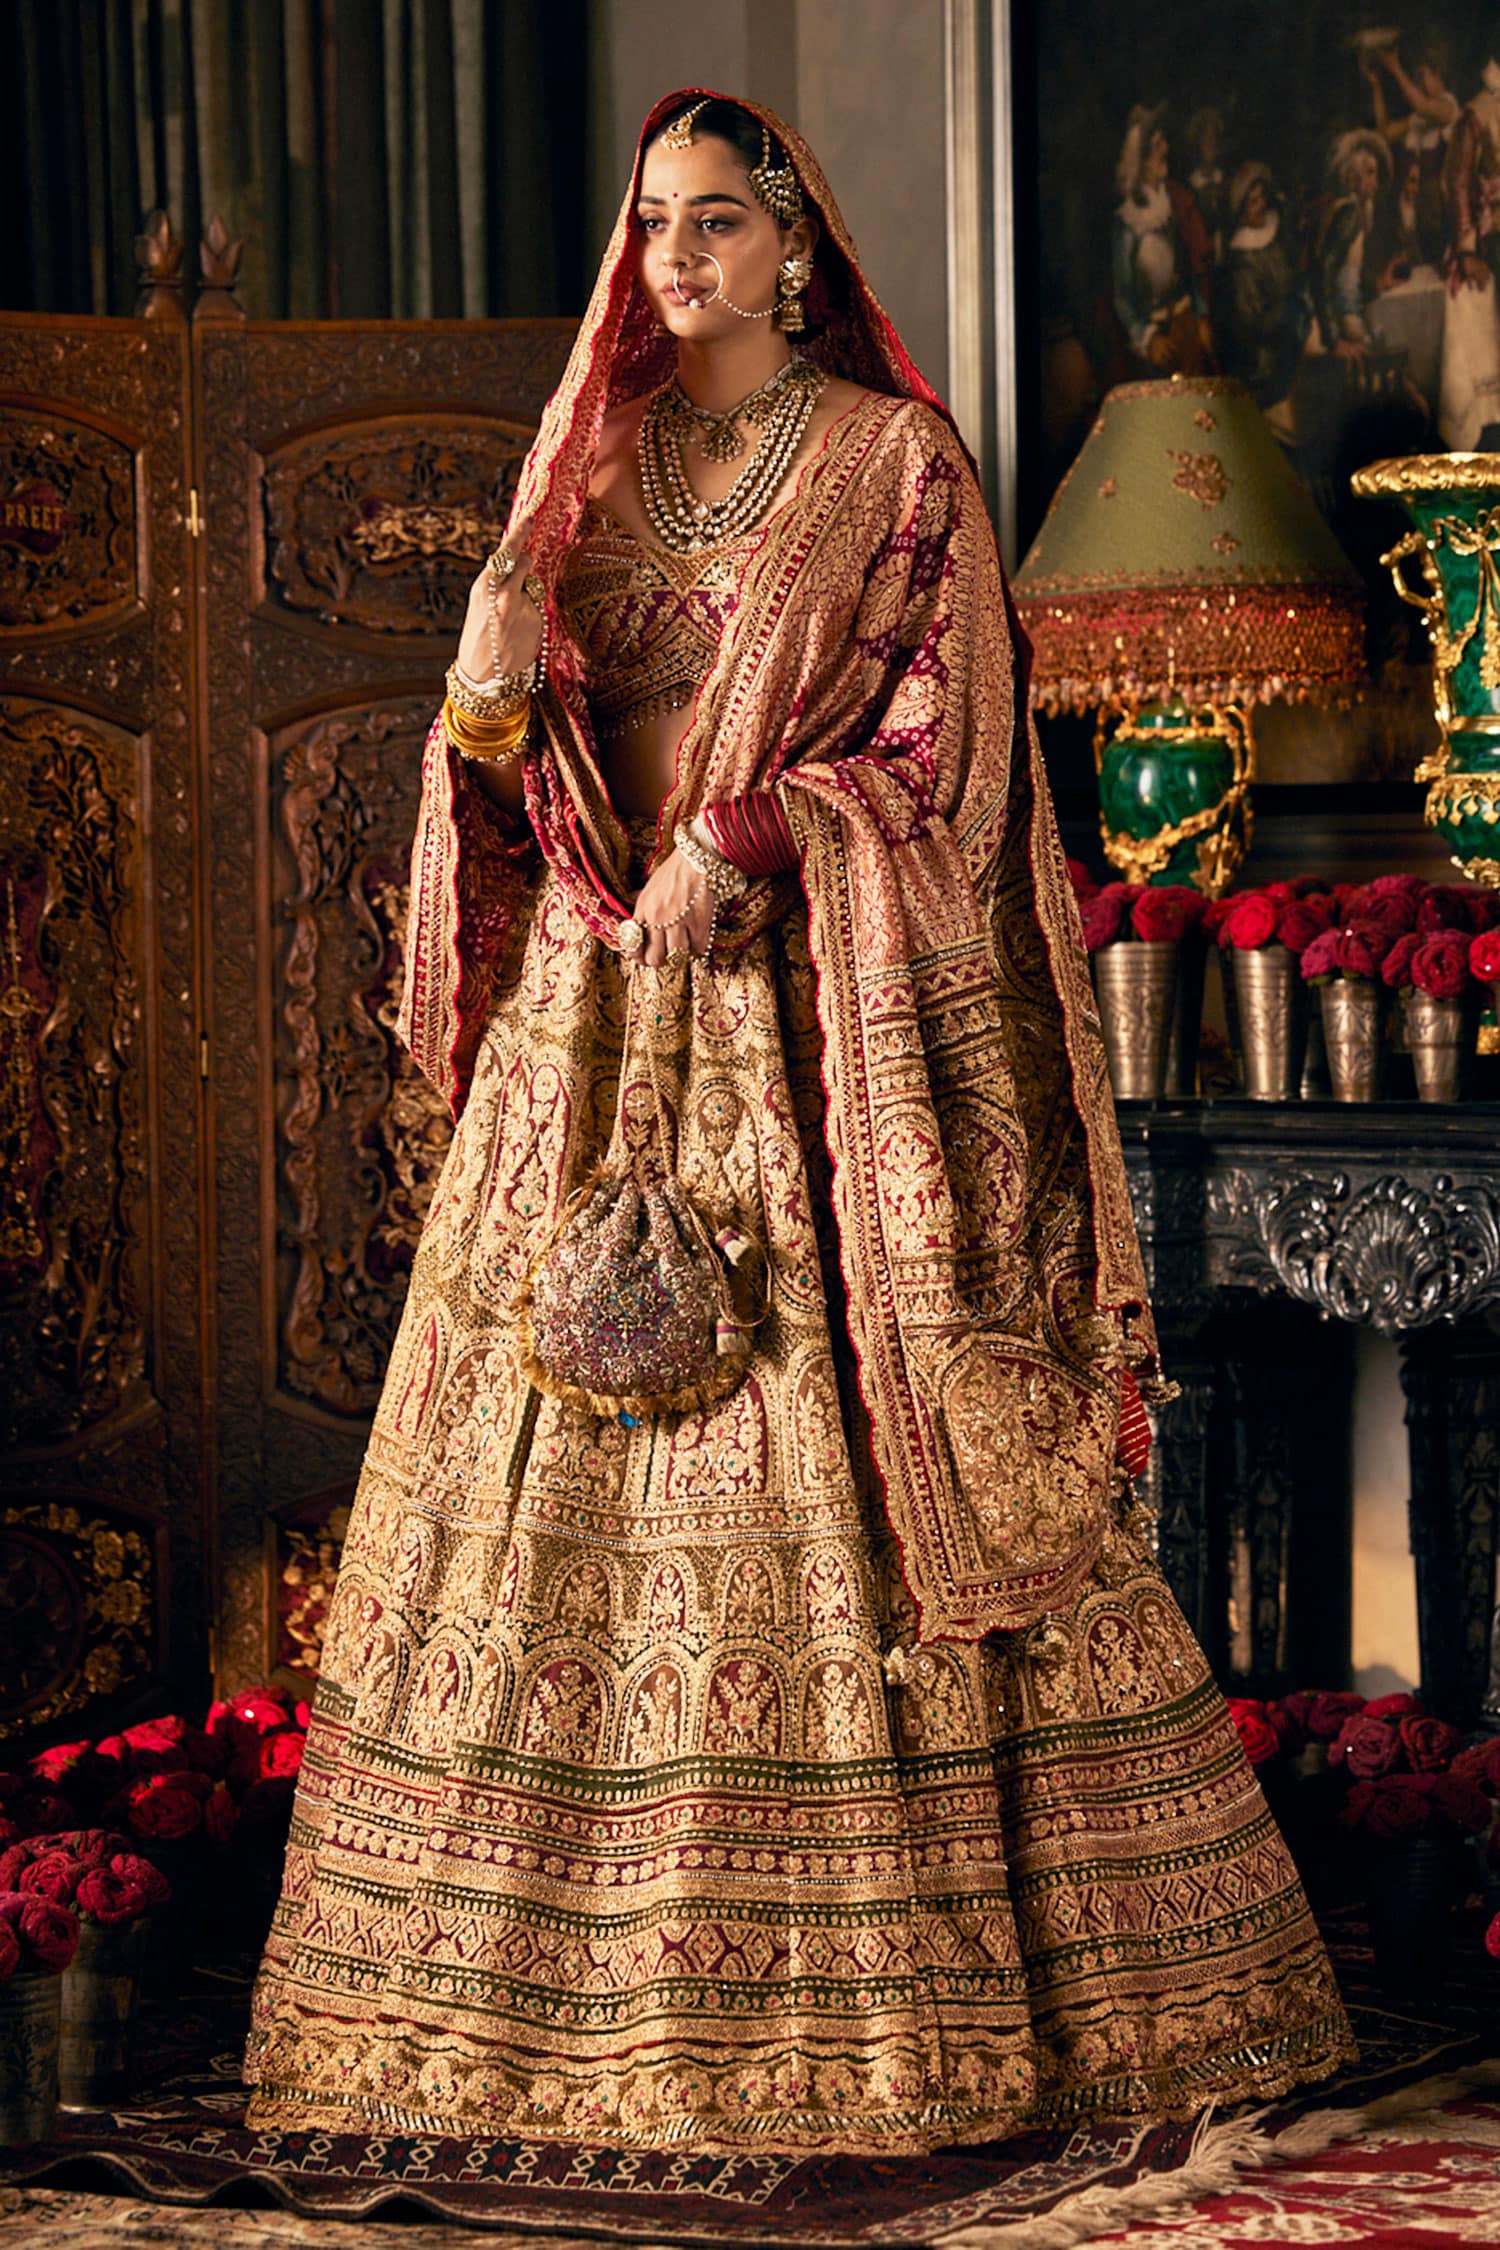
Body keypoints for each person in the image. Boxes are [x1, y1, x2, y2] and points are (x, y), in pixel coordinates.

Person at [242, 89, 1353, 2156]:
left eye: (719, 223)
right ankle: (494, 2007)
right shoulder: (584, 473)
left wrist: (753, 833)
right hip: (596, 1022)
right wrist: (482, 692)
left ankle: (886, 2004)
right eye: (656, 223)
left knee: (851, 1445)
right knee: (536, 1466)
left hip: (806, 1026)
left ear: (797, 247)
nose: (678, 258)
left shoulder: (892, 464)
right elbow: (512, 768)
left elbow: (949, 750)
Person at [1111, 105, 1214, 374]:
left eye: (1163, 142)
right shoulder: (1127, 223)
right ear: (1142, 159)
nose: (1165, 149)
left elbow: (1189, 269)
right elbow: (1122, 296)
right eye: (1157, 145)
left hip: (1187, 325)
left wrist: (1201, 316)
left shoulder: (1174, 204)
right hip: (1157, 342)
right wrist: (1148, 338)